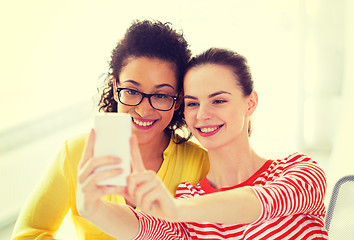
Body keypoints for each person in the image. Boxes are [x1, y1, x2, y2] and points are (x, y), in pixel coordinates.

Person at [77, 47, 329, 239]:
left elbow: (260, 202)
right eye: (192, 103)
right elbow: (147, 228)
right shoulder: (189, 196)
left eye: (218, 100)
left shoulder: (300, 171)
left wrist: (175, 209)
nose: (202, 114)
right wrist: (93, 209)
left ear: (250, 102)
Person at [11, 20, 209, 240]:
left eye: (161, 95)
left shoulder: (201, 163)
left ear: (178, 99)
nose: (143, 110)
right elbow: (27, 233)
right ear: (116, 88)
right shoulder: (75, 153)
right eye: (132, 91)